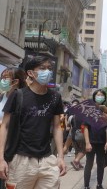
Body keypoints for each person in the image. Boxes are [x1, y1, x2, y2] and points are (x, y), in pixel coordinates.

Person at [0, 56, 67, 187]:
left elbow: (58, 127)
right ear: (30, 73)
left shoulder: (55, 97)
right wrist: (1, 158)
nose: (47, 72)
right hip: (20, 160)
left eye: (49, 69)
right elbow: (5, 126)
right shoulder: (18, 95)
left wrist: (60, 156)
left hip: (47, 160)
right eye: (42, 68)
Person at [83, 89, 107, 189]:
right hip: (92, 142)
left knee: (100, 165)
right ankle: (86, 185)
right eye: (98, 95)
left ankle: (99, 184)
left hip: (102, 143)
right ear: (94, 97)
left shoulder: (106, 110)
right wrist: (87, 143)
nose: (100, 97)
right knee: (89, 164)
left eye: (102, 95)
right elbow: (85, 127)